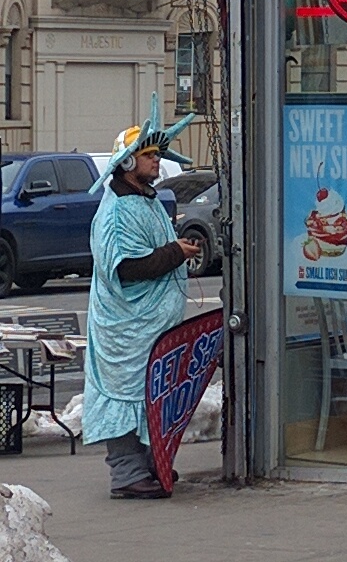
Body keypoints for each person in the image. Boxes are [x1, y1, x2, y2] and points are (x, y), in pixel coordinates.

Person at [82, 94, 198, 500]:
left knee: (149, 394)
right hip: (126, 330)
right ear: (127, 162)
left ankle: (150, 465)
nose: (155, 161)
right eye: (149, 155)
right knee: (127, 395)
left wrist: (174, 249)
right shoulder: (116, 212)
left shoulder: (144, 201)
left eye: (157, 155)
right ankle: (127, 474)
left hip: (149, 328)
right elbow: (127, 267)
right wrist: (174, 254)